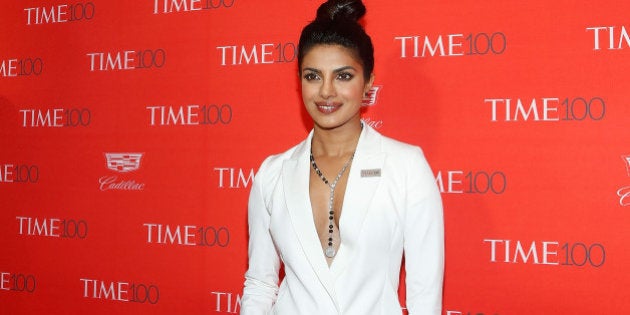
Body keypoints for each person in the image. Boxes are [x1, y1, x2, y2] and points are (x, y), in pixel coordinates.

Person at [241, 0, 444, 314]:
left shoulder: (406, 167)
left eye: (343, 76)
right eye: (313, 76)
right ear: (299, 81)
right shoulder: (272, 173)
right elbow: (260, 283)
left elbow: (424, 296)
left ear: (368, 84)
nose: (326, 91)